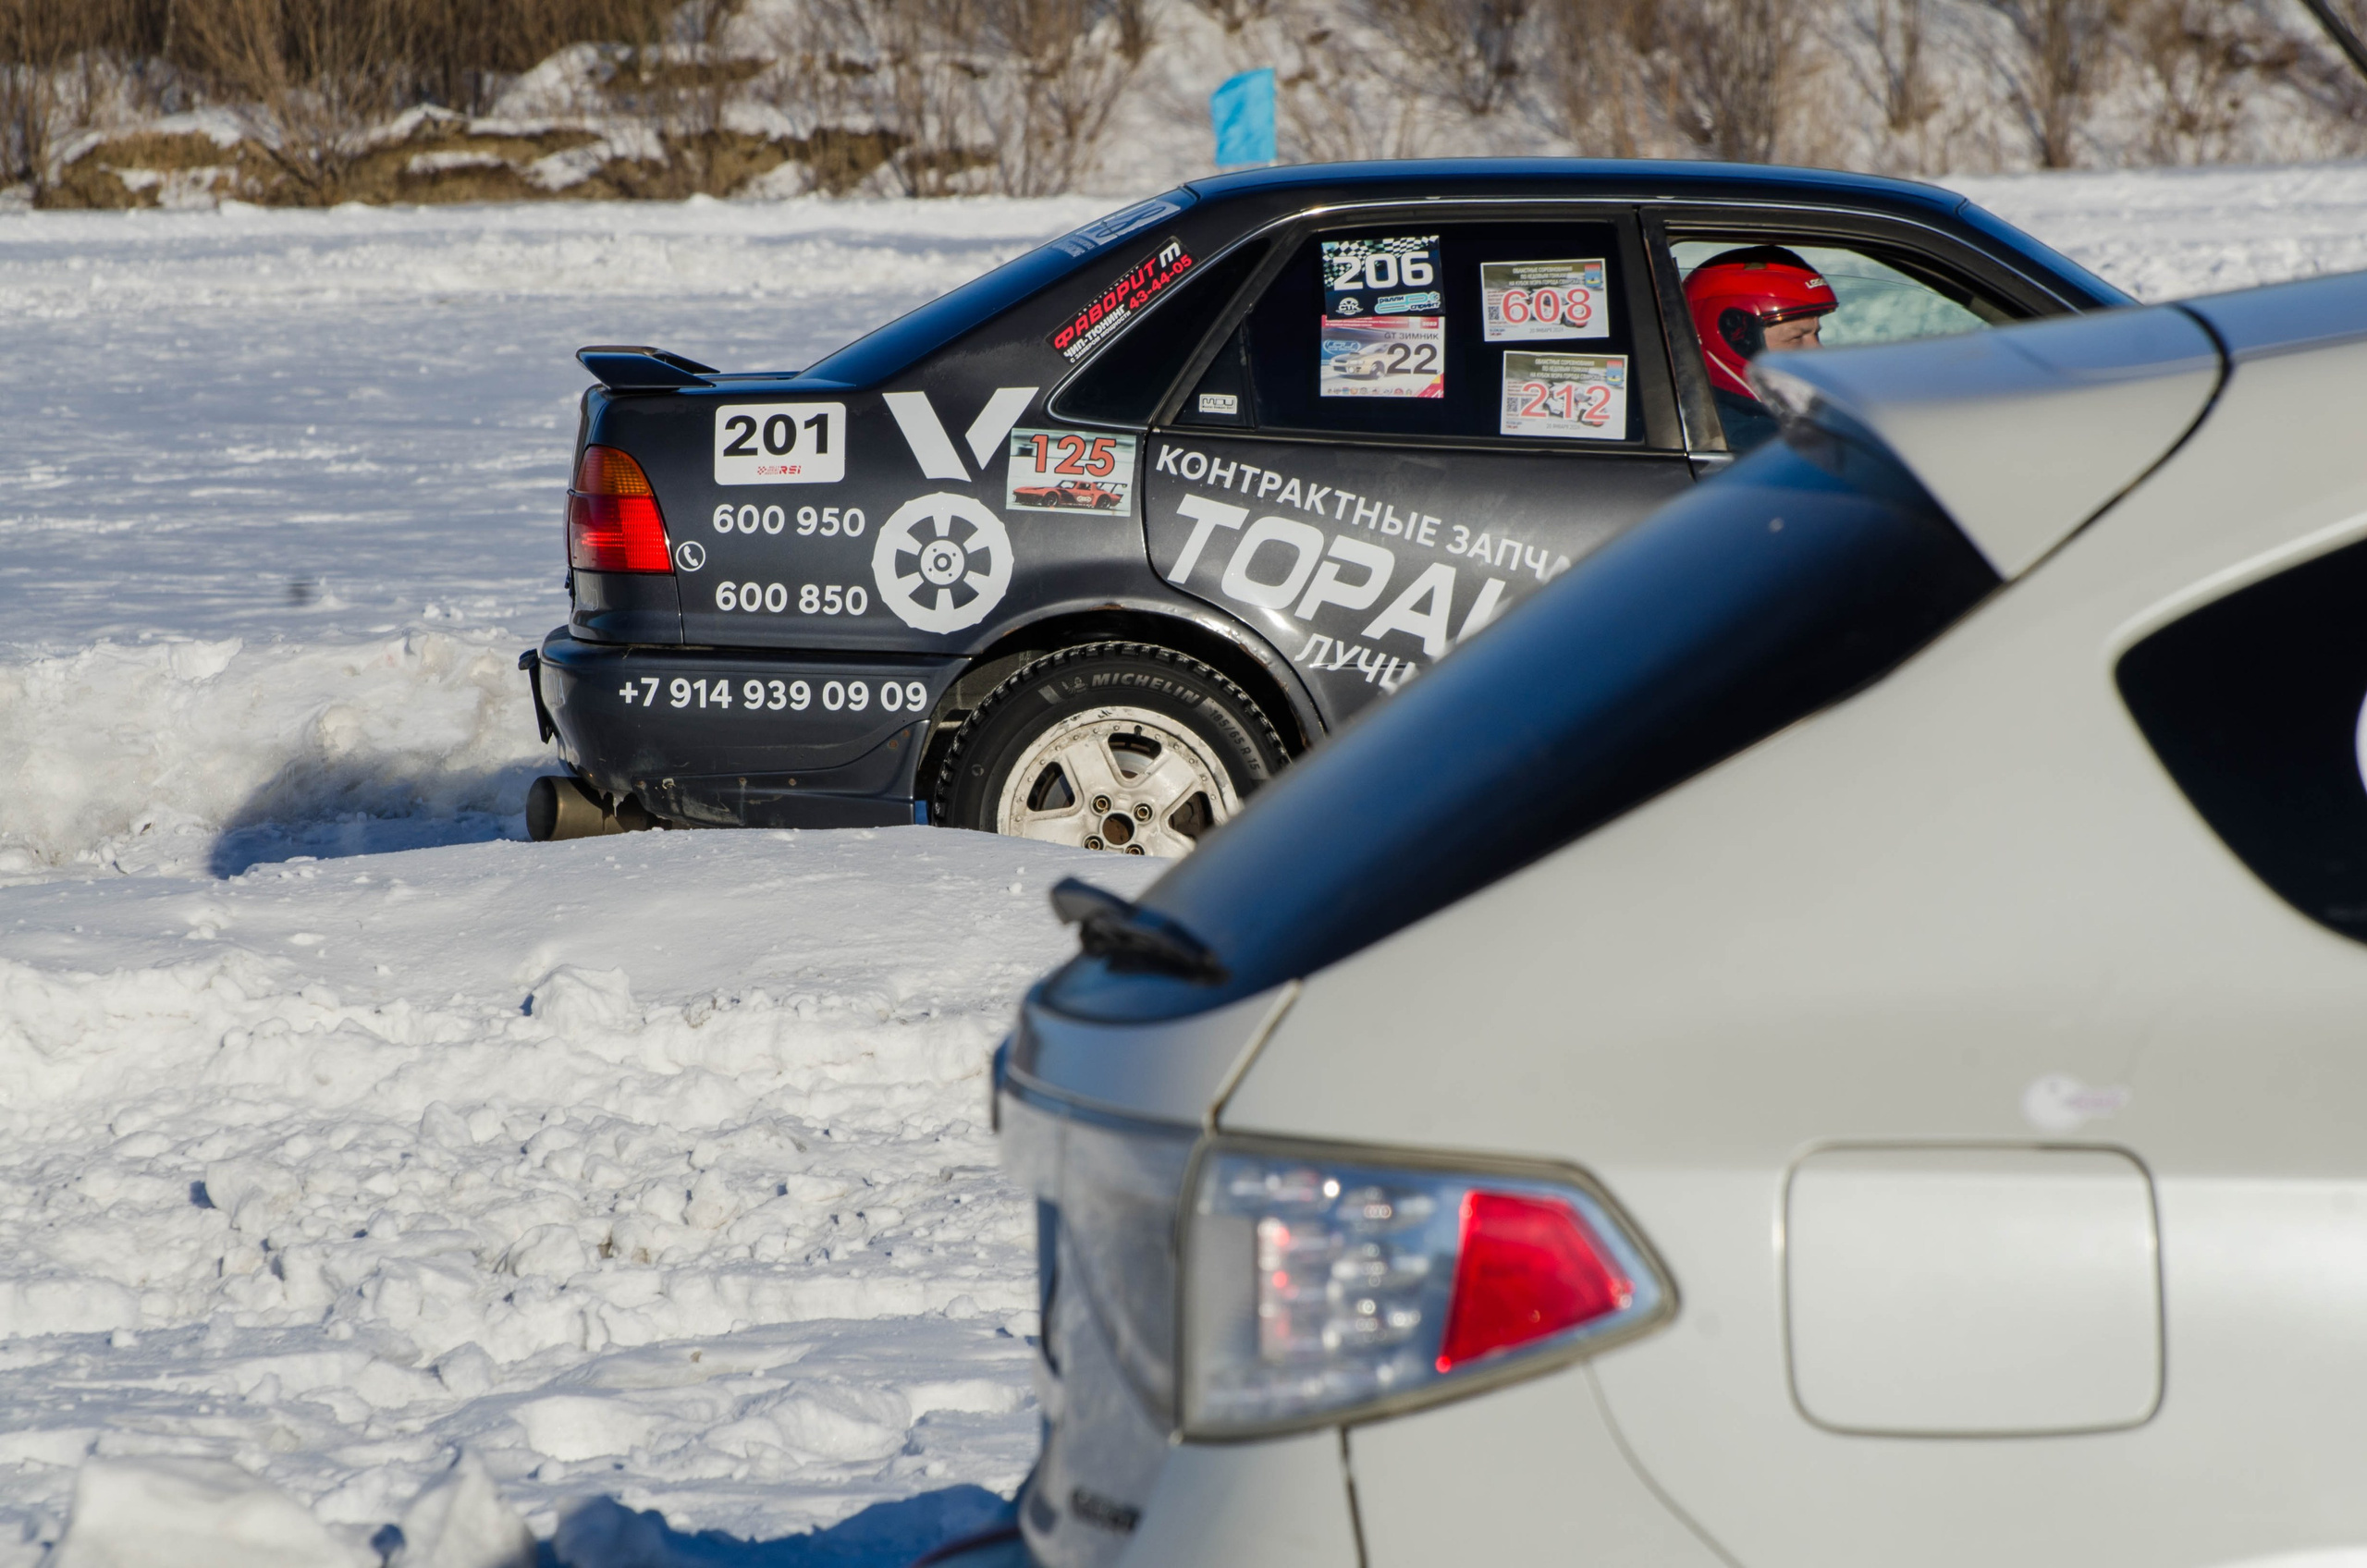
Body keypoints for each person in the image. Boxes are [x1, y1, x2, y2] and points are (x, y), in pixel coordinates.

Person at [1681, 245, 1837, 454]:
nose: (1817, 351)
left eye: (1815, 334)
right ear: (1734, 338)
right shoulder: (1757, 441)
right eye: (1796, 337)